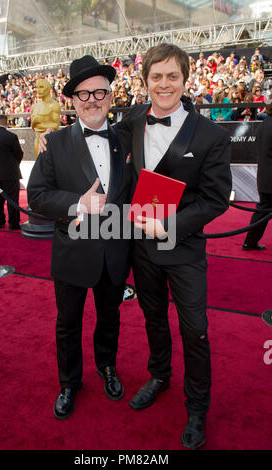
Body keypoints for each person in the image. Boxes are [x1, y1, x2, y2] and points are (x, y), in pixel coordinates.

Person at [117, 43, 232, 450]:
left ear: (185, 79)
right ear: (145, 80)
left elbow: (217, 199)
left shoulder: (212, 135)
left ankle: (197, 407)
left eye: (172, 76)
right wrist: (56, 143)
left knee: (195, 330)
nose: (164, 84)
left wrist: (170, 225)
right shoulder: (131, 119)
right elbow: (99, 144)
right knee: (152, 317)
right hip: (141, 251)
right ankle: (159, 374)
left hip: (183, 251)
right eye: (156, 77)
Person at [27, 55, 132, 420]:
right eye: (83, 94)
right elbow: (37, 196)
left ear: (109, 95)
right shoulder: (54, 144)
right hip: (72, 254)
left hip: (116, 252)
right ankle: (69, 383)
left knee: (110, 317)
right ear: (73, 100)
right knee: (67, 323)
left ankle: (107, 366)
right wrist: (77, 203)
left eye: (99, 91)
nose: (92, 99)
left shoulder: (125, 138)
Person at [242, 102, 272, 251]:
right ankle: (249, 242)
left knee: (262, 212)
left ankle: (249, 242)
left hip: (264, 176)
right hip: (269, 177)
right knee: (262, 212)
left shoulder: (263, 125)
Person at [31, 79, 61, 157]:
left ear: (48, 88)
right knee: (38, 166)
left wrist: (40, 121)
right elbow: (33, 127)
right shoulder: (34, 107)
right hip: (37, 141)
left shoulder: (54, 105)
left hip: (49, 142)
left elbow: (56, 126)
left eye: (41, 87)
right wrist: (35, 122)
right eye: (37, 87)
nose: (38, 90)